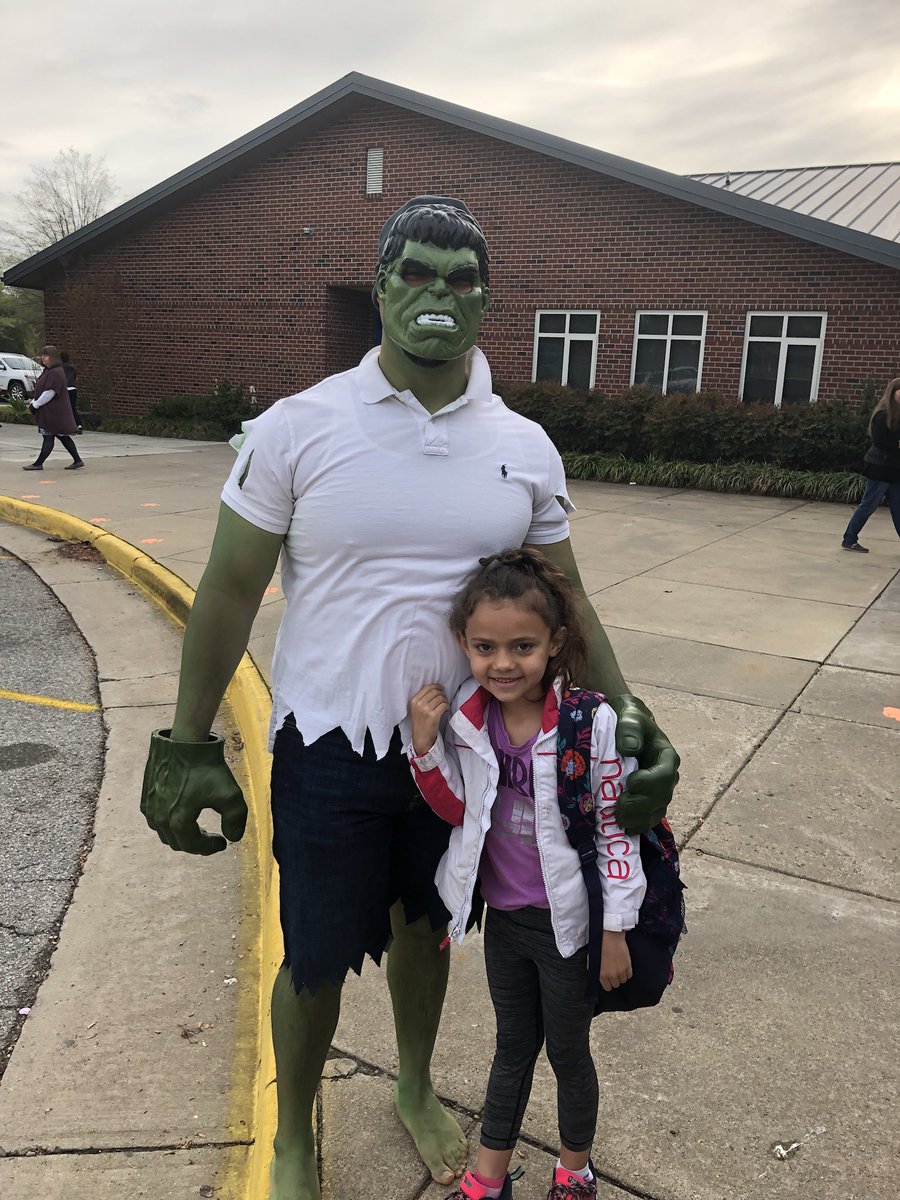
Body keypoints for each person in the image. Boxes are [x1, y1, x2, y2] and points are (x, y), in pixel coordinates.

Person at [139, 196, 680, 1200]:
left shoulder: (522, 443)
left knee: (430, 931)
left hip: (468, 756)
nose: (438, 292)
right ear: (382, 287)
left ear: (485, 302)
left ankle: (417, 1085)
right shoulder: (296, 429)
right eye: (417, 273)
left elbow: (569, 603)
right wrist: (183, 738)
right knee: (311, 957)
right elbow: (226, 589)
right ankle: (294, 1135)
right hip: (327, 745)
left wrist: (630, 719)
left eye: (460, 279)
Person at [408, 549, 645, 1200]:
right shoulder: (467, 718)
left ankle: (574, 1167)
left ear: (555, 643)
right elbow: (458, 809)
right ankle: (488, 1178)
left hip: (568, 929)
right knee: (511, 1048)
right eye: (485, 646)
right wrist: (425, 748)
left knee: (568, 1053)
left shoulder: (586, 722)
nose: (503, 663)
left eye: (522, 646)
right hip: (507, 923)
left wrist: (617, 929)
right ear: (464, 643)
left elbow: (615, 830)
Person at [841, 377, 900, 552]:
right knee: (869, 505)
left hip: (895, 470)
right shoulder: (882, 416)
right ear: (893, 393)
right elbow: (883, 442)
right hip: (879, 468)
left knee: (898, 508)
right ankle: (849, 539)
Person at [22, 345, 84, 471]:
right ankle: (77, 460)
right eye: (43, 356)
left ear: (53, 357)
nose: (43, 358)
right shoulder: (49, 371)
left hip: (54, 412)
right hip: (52, 412)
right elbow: (42, 390)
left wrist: (36, 404)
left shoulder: (56, 372)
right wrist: (35, 400)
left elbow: (50, 392)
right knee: (62, 436)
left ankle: (38, 463)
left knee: (49, 436)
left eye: (46, 356)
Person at [60, 350, 82, 433]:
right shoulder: (71, 368)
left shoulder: (59, 368)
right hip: (73, 389)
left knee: (64, 409)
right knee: (73, 408)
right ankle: (78, 424)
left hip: (65, 390)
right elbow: (75, 378)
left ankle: (67, 426)